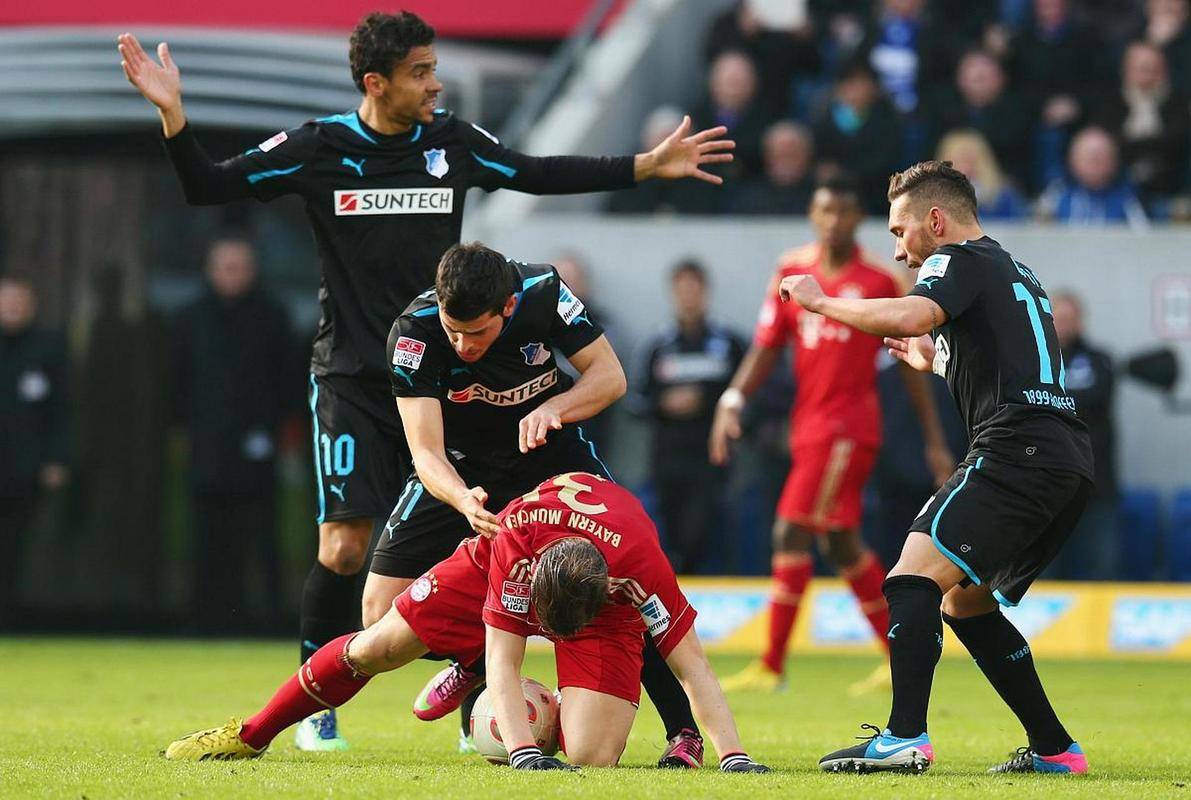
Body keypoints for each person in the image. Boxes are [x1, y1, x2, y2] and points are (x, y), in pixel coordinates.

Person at [118, 11, 734, 750]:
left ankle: (550, 693)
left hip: (465, 378)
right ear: (376, 83)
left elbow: (536, 173)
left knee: (576, 554)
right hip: (357, 374)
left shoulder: (452, 145)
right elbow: (208, 188)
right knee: (346, 554)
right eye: (420, 72)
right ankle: (324, 711)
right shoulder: (319, 147)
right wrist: (174, 116)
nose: (436, 83)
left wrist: (642, 165)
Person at [780, 161, 1092, 775]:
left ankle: (903, 738)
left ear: (935, 220)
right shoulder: (1011, 268)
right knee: (965, 603)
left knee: (911, 577)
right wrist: (939, 364)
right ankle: (1056, 749)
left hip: (1017, 450)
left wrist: (822, 302)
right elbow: (1012, 368)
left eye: (901, 232)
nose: (899, 250)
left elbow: (910, 315)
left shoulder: (955, 260)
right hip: (1064, 459)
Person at [162, 472, 770, 772]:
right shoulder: (513, 544)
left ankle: (529, 700)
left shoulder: (641, 571)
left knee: (590, 762)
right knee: (375, 648)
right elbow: (507, 658)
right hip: (491, 567)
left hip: (595, 605)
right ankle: (253, 733)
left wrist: (735, 757)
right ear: (531, 581)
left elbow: (694, 670)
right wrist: (527, 753)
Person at [365, 243, 707, 767]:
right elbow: (425, 451)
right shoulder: (413, 333)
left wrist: (555, 407)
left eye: (475, 333)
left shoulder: (544, 293)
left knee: (622, 585)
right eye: (453, 331)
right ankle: (480, 659)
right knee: (378, 611)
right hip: (462, 467)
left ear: (506, 307)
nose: (462, 346)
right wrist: (461, 498)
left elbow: (610, 377)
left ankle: (683, 731)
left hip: (549, 456)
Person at [710, 177, 954, 696]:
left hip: (847, 430)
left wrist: (933, 440)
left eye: (844, 212)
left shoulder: (879, 281)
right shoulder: (792, 271)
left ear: (857, 219)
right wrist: (733, 398)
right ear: (812, 214)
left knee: (790, 531)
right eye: (825, 211)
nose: (833, 222)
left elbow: (910, 365)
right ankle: (898, 653)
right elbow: (767, 344)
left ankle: (772, 664)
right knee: (842, 545)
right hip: (809, 426)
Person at [173, 237, 294, 634]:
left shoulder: (272, 317)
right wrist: (181, 432)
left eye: (239, 266)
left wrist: (278, 431)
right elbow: (177, 383)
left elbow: (287, 383)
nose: (232, 274)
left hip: (258, 445)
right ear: (210, 269)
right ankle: (206, 616)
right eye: (225, 266)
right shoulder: (190, 318)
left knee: (261, 534)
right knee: (207, 534)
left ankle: (267, 618)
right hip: (207, 447)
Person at [639, 260, 744, 574]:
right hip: (668, 456)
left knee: (705, 528)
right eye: (681, 290)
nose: (688, 297)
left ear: (705, 292)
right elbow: (636, 400)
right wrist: (665, 403)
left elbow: (746, 394)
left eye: (693, 289)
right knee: (669, 530)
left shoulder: (728, 344)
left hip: (711, 455)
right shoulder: (657, 346)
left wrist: (708, 404)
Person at [0, 274, 70, 626]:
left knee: (15, 547)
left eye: (18, 301)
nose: (11, 307)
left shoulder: (49, 348)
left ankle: (12, 618)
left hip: (24, 469)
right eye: (6, 300)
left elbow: (63, 409)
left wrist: (57, 458)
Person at [1047, 291, 1117, 580]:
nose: (1063, 325)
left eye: (1069, 319)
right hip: (1047, 487)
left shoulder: (1099, 360)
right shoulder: (1033, 360)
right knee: (1045, 569)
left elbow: (1098, 398)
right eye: (1058, 319)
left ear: (1080, 322)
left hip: (1095, 481)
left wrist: (1054, 400)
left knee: (1102, 566)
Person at [1090, 40, 1190, 205]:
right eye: (1140, 68)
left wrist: (1133, 143)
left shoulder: (1176, 103)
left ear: (1163, 70)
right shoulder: (1111, 102)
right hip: (1116, 181)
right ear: (1126, 70)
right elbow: (1107, 141)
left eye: (1152, 68)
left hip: (1168, 180)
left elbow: (1176, 144)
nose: (1147, 74)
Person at [812, 61, 905, 214]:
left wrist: (845, 174)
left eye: (861, 84)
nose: (855, 90)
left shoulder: (887, 121)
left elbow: (886, 161)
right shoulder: (824, 119)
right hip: (833, 194)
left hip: (875, 196)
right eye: (850, 84)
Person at [1039, 126, 1149, 228]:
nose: (1094, 164)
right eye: (1088, 157)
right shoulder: (1055, 195)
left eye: (1100, 157)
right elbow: (1038, 236)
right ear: (1072, 160)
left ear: (1114, 162)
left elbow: (1141, 239)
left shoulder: (1128, 200)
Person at [936, 130, 1030, 220]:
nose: (965, 168)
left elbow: (1022, 225)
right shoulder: (931, 200)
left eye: (970, 161)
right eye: (958, 161)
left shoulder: (1005, 197)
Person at [726, 122, 816, 215]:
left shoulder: (821, 198)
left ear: (807, 157)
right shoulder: (747, 199)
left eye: (792, 155)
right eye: (780, 155)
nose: (786, 162)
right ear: (767, 157)